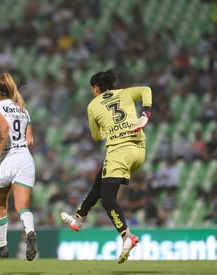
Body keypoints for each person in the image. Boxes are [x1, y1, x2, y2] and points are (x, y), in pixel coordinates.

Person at [60, 70, 152, 264]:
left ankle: (127, 236)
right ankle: (78, 218)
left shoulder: (93, 105)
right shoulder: (125, 93)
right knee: (99, 182)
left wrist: (107, 128)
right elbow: (146, 89)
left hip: (119, 152)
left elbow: (95, 137)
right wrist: (145, 113)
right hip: (139, 150)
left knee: (108, 199)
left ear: (95, 88)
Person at [0, 72, 37, 261]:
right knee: (22, 206)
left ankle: (3, 246)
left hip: (4, 160)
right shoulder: (24, 110)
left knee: (0, 205)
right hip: (25, 159)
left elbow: (5, 128)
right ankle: (30, 231)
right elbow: (30, 141)